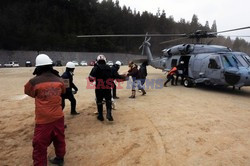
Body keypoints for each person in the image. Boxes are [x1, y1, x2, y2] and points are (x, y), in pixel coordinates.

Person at [24, 54, 66, 166]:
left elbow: (28, 92)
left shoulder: (34, 81)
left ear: (38, 67)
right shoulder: (59, 80)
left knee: (39, 145)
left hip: (43, 120)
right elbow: (63, 91)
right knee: (59, 139)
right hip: (59, 116)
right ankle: (60, 158)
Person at [89, 54, 114, 121]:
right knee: (108, 100)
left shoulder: (96, 68)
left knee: (99, 101)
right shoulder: (108, 67)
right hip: (108, 86)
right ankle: (109, 114)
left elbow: (91, 79)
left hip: (99, 87)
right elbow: (112, 76)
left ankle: (100, 116)